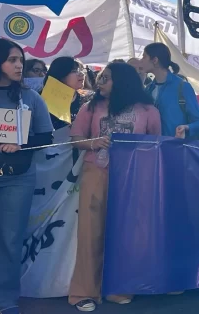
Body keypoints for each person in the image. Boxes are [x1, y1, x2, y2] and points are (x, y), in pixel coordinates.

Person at [0, 38, 53, 314]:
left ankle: (5, 300)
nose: (19, 66)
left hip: (18, 178)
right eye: (12, 60)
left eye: (21, 61)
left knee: (10, 238)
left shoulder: (31, 97)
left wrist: (22, 144)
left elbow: (46, 135)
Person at [68, 62, 160, 312]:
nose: (99, 82)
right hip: (96, 173)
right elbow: (75, 139)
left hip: (133, 179)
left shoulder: (148, 109)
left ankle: (120, 287)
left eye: (105, 78)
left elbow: (155, 146)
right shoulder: (91, 107)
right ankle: (84, 292)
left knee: (126, 233)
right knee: (91, 233)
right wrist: (95, 142)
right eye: (100, 77)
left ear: (121, 80)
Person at [142, 43, 199, 140]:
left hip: (176, 149)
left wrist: (186, 128)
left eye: (144, 57)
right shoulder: (148, 89)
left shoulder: (183, 87)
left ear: (155, 60)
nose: (141, 61)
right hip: (152, 149)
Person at [43, 57, 91, 129]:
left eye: (82, 70)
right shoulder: (41, 100)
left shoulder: (88, 99)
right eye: (75, 71)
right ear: (60, 75)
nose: (81, 74)